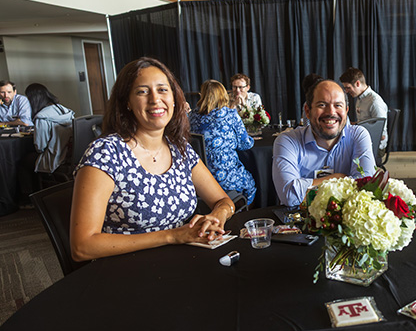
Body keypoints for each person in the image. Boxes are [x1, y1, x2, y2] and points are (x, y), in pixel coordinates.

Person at [70, 57, 235, 261]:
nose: (155, 99)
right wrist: (171, 236)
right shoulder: (105, 152)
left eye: (163, 90)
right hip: (125, 270)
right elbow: (82, 246)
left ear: (175, 99)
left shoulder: (179, 149)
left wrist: (218, 215)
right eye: (142, 91)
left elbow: (223, 200)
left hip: (178, 261)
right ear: (127, 102)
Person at [272, 79, 375, 207]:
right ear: (308, 111)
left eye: (338, 105)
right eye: (322, 105)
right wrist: (339, 177)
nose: (331, 112)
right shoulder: (287, 141)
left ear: (346, 110)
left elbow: (365, 187)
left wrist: (307, 187)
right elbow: (289, 196)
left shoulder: (358, 135)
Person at [189, 79, 257, 204]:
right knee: (251, 185)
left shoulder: (192, 116)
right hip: (225, 179)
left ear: (202, 95)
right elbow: (245, 144)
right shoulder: (230, 115)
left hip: (199, 179)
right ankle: (241, 214)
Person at [25, 83, 74, 173]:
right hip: (70, 155)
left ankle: (34, 187)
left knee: (23, 161)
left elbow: (40, 147)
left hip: (54, 158)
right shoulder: (64, 110)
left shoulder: (41, 117)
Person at [339, 67, 389, 150]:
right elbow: (365, 123)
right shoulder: (360, 98)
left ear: (358, 83)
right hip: (364, 138)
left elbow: (381, 135)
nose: (346, 91)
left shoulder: (375, 102)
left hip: (375, 146)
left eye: (348, 87)